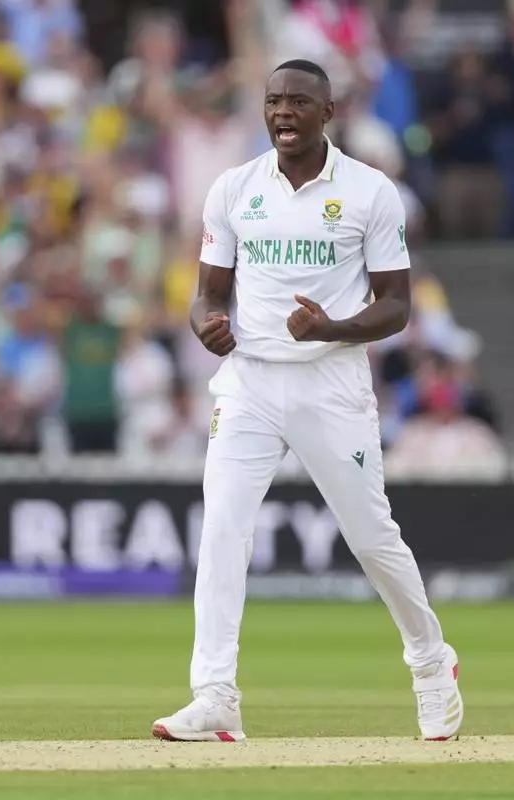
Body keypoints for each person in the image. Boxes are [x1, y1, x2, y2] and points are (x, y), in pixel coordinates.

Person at [151, 60, 463, 744]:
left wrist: (333, 327)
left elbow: (397, 306)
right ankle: (215, 695)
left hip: (331, 381)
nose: (283, 112)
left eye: (298, 102)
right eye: (273, 102)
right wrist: (205, 321)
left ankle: (431, 661)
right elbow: (208, 290)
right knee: (223, 527)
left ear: (328, 112)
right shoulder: (235, 189)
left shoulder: (370, 192)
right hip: (250, 381)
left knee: (370, 536)